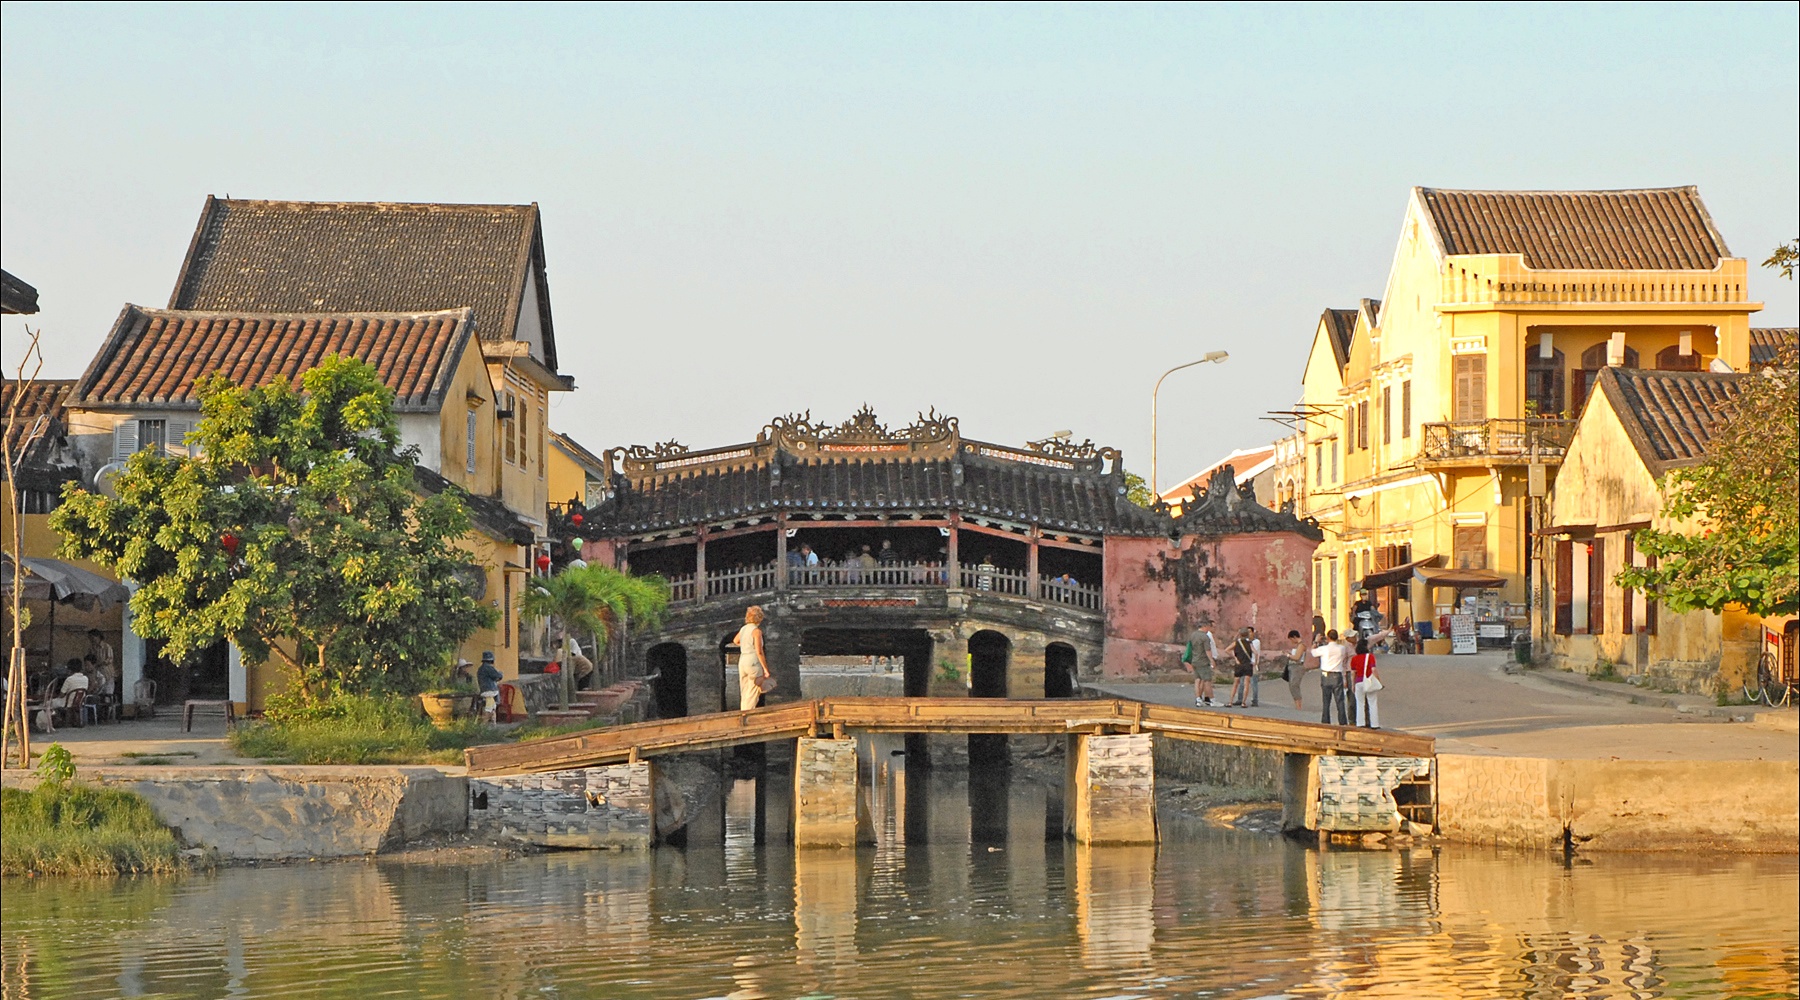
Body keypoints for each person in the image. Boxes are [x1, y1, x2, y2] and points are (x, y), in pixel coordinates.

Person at [735, 606, 772, 711]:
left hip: (743, 660)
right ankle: (748, 715)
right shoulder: (756, 631)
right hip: (753, 661)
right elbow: (759, 652)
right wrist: (766, 669)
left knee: (744, 689)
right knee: (753, 690)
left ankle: (743, 712)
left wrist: (746, 646)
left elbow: (735, 641)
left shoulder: (743, 629)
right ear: (759, 618)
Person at [1312, 630, 1352, 725]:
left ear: (1328, 637)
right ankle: (1342, 722)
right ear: (1337, 637)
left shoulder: (1324, 649)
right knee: (1340, 701)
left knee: (1326, 701)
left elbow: (1313, 652)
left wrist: (1316, 641)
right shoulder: (1341, 648)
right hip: (1337, 675)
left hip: (1326, 675)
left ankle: (1325, 721)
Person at [1350, 637, 1382, 728]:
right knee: (1372, 703)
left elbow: (1353, 673)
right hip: (1369, 681)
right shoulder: (1370, 657)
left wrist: (1353, 684)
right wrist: (1378, 680)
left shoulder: (1354, 659)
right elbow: (1374, 670)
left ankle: (1360, 723)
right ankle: (1375, 724)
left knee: (1360, 703)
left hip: (1358, 682)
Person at [1185, 624, 1219, 707]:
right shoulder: (1205, 637)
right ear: (1205, 626)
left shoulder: (1193, 635)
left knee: (1197, 680)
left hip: (1195, 660)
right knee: (1207, 680)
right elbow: (1207, 650)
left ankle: (1198, 699)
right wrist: (1211, 660)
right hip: (1203, 661)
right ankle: (1212, 700)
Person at [1228, 627, 1261, 707]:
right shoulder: (1249, 643)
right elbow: (1256, 653)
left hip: (1239, 664)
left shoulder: (1237, 642)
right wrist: (1256, 662)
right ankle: (1243, 702)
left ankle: (1230, 701)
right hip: (1247, 664)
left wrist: (1235, 658)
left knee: (1235, 683)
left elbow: (1227, 650)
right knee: (1246, 684)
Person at [474, 651, 504, 722]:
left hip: (483, 691)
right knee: (489, 710)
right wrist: (500, 673)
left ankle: (492, 723)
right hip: (490, 691)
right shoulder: (488, 668)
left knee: (492, 708)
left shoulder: (480, 669)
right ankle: (484, 725)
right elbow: (498, 676)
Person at [1284, 629, 1310, 710]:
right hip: (1293, 666)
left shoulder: (1301, 645)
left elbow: (1297, 657)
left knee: (1294, 685)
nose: (1291, 641)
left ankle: (1298, 705)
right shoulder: (1298, 645)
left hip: (1297, 667)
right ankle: (1297, 704)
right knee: (1292, 685)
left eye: (1291, 639)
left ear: (1294, 637)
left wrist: (1288, 655)